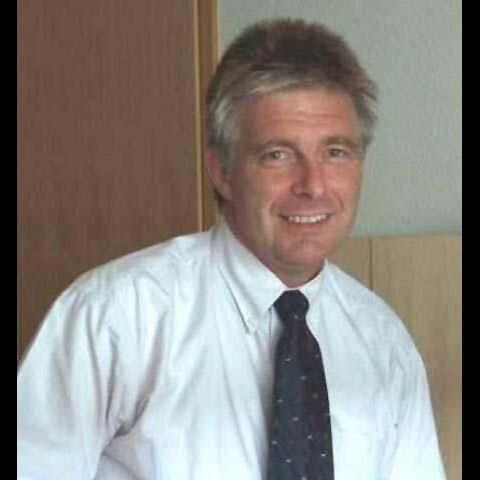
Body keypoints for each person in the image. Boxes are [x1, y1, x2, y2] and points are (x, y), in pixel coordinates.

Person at [17, 18, 446, 480]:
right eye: (278, 155)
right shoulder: (117, 316)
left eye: (335, 152)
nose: (313, 185)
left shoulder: (384, 342)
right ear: (222, 171)